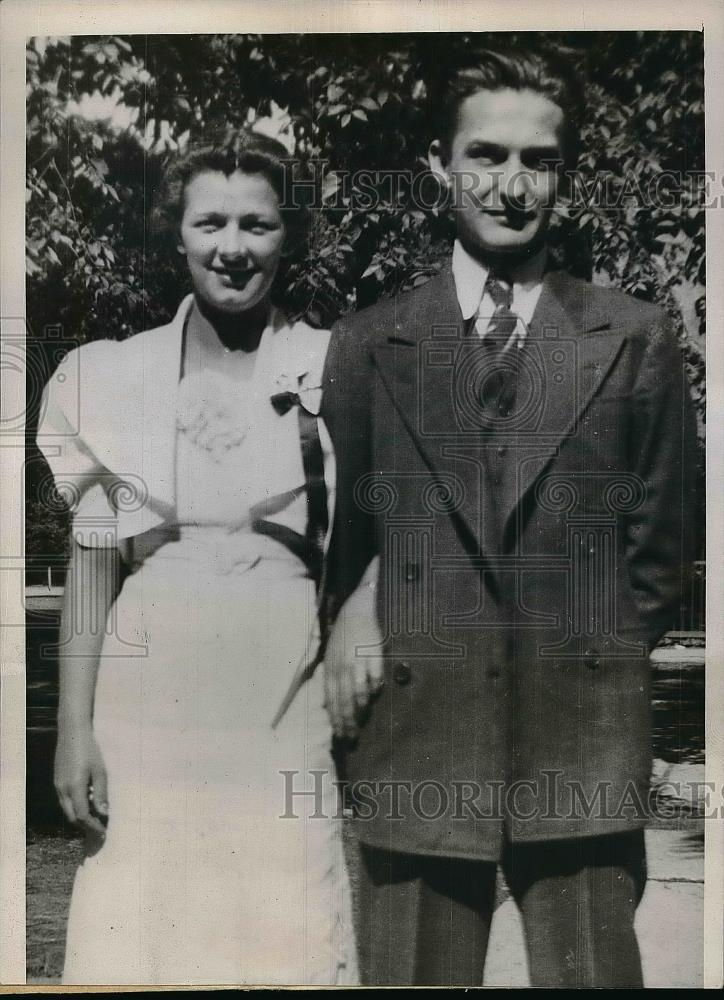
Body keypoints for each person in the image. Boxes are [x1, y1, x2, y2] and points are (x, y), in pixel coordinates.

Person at [321, 48, 698, 988]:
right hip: (417, 739)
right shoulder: (371, 340)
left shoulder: (635, 335)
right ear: (440, 167)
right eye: (486, 155)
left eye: (539, 160)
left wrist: (587, 650)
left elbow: (661, 553)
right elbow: (350, 543)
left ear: (564, 174)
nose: (512, 184)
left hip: (579, 740)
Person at [36, 130, 358, 986]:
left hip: (283, 680)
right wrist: (74, 733)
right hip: (152, 692)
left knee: (290, 905)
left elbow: (367, 551)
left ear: (288, 236)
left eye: (258, 224)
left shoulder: (333, 367)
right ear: (177, 232)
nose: (233, 248)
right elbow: (93, 565)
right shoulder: (111, 376)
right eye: (210, 221)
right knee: (149, 919)